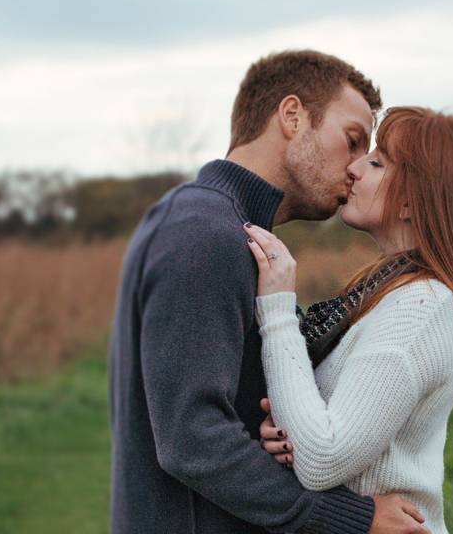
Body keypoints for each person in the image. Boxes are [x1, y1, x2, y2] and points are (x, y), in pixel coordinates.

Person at [109, 50, 430, 534]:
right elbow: (191, 439)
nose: (355, 168)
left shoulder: (227, 229)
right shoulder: (202, 233)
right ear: (292, 116)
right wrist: (353, 519)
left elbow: (224, 412)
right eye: (351, 141)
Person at [245, 106, 453, 534]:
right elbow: (333, 437)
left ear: (411, 201)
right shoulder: (393, 291)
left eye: (376, 162)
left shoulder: (421, 308)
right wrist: (291, 425)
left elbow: (323, 459)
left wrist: (277, 306)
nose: (353, 168)